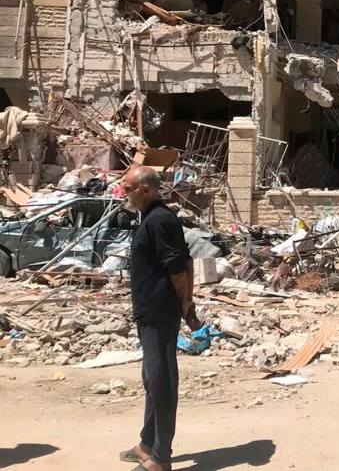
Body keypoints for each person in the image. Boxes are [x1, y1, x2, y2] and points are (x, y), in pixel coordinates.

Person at [119, 166, 200, 471]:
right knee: (151, 379)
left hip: (160, 312)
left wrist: (185, 304)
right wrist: (187, 301)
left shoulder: (161, 220)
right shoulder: (151, 218)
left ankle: (160, 457)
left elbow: (179, 268)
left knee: (162, 380)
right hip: (149, 312)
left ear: (147, 190)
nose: (123, 194)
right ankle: (147, 443)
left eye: (128, 189)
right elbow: (188, 261)